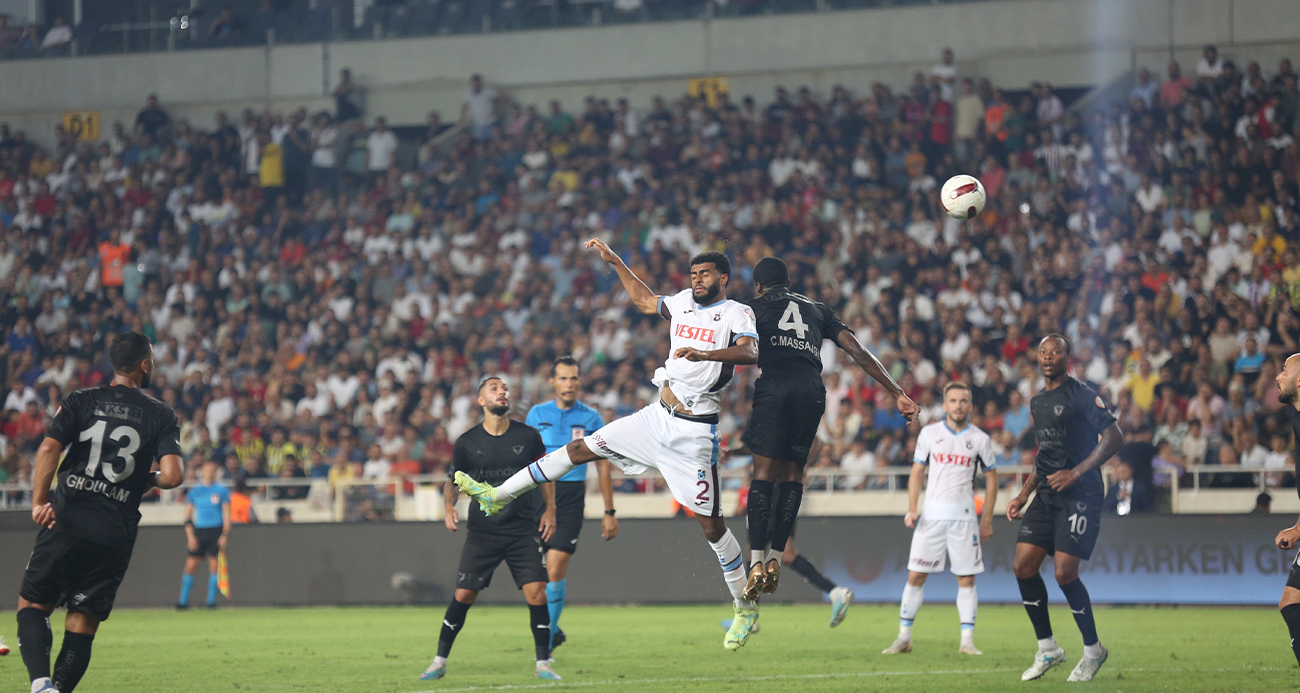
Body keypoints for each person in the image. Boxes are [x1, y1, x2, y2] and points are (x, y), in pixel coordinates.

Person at [455, 241, 763, 650]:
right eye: (693, 274)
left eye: (705, 274)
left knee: (712, 525)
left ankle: (745, 606)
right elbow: (641, 298)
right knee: (581, 449)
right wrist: (617, 262)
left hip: (694, 433)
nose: (697, 281)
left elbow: (750, 351)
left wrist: (704, 352)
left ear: (722, 278)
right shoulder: (683, 302)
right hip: (656, 417)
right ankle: (496, 495)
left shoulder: (737, 312)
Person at [16, 332, 186, 693]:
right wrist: (148, 479)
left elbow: (48, 449)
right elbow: (173, 476)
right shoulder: (161, 414)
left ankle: (41, 683)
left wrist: (39, 502)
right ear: (144, 365)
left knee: (33, 604)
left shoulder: (81, 400)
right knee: (83, 623)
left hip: (67, 518)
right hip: (113, 533)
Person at [740, 256, 917, 599]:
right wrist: (897, 392)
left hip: (776, 386)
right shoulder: (818, 309)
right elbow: (857, 350)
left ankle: (757, 563)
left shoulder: (750, 307)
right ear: (788, 284)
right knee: (793, 476)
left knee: (762, 474)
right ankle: (777, 558)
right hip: (812, 390)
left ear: (759, 286)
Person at [421, 376, 559, 682]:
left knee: (537, 594)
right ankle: (439, 661)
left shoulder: (529, 436)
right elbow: (452, 480)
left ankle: (543, 665)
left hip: (522, 529)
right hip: (483, 532)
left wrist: (550, 510)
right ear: (481, 400)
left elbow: (545, 474)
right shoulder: (467, 442)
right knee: (464, 594)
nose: (502, 392)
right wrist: (448, 508)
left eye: (504, 388)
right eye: (494, 389)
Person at [1006, 334, 1125, 683]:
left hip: (1081, 493)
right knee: (1023, 566)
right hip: (1046, 493)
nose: (1048, 357)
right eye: (1042, 352)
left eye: (1055, 352)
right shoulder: (1038, 402)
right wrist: (1024, 493)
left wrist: (1076, 472)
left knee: (1063, 573)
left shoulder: (1084, 395)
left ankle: (1093, 650)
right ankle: (1048, 648)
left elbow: (1115, 436)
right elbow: (1045, 455)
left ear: (1068, 357)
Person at [883, 381, 997, 656]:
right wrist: (913, 508)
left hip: (965, 518)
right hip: (931, 517)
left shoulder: (980, 439)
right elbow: (916, 473)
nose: (958, 406)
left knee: (966, 580)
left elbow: (992, 480)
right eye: (954, 401)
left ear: (970, 405)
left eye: (963, 401)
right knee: (915, 576)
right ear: (945, 405)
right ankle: (904, 638)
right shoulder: (929, 434)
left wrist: (987, 519)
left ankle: (967, 641)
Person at [524, 356, 617, 656]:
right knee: (536, 578)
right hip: (538, 495)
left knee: (555, 568)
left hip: (571, 497)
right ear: (552, 382)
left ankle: (546, 638)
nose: (569, 384)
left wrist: (609, 511)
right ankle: (551, 629)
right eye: (563, 378)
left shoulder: (591, 418)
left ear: (580, 381)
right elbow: (525, 459)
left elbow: (603, 467)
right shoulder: (536, 414)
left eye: (573, 378)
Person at [1271, 353, 1300, 666]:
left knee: (1292, 603)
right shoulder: (1297, 419)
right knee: (1292, 602)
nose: (1278, 377)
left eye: (1284, 371)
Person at [177, 458, 231, 610]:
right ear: (202, 472)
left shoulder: (222, 491)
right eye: (208, 470)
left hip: (216, 530)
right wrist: (190, 536)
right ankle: (183, 602)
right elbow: (187, 516)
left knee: (214, 567)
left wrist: (225, 535)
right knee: (190, 567)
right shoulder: (195, 491)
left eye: (213, 470)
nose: (210, 473)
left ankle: (211, 602)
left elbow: (227, 515)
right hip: (199, 531)